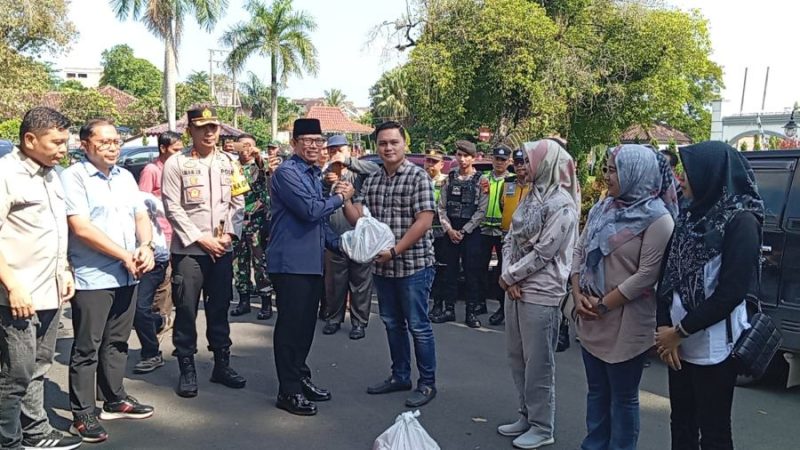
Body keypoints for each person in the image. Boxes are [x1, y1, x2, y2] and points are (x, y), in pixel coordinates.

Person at [655, 141, 763, 450]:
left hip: (714, 346)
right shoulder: (689, 215)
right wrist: (664, 330)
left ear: (711, 174)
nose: (680, 180)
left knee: (714, 431)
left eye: (687, 173)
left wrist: (679, 332)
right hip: (676, 343)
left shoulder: (741, 222)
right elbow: (667, 277)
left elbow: (731, 292)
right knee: (681, 422)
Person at [572, 144, 675, 450]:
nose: (607, 176)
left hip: (625, 321)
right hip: (590, 315)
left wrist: (603, 305)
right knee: (596, 391)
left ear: (635, 173)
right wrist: (577, 294)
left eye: (614, 170)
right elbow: (579, 250)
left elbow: (647, 276)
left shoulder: (658, 219)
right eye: (606, 168)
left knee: (623, 397)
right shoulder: (603, 208)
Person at [63, 119, 156, 443]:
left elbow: (140, 215)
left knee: (117, 341)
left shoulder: (124, 176)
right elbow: (81, 227)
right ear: (85, 145)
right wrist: (124, 254)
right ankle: (83, 413)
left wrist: (145, 247)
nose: (112, 147)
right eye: (104, 142)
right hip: (93, 276)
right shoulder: (73, 177)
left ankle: (114, 398)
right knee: (87, 347)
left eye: (116, 141)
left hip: (127, 274)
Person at [0, 107, 83, 450]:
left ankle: (35, 431)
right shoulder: (6, 174)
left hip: (50, 290)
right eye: (57, 142)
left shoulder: (52, 175)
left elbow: (56, 231)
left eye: (65, 141)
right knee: (15, 374)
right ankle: (7, 440)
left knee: (39, 366)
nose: (63, 149)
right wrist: (12, 285)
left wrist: (65, 270)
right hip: (18, 295)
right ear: (30, 139)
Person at [342, 121, 438, 408]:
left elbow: (424, 221)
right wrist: (345, 200)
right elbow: (360, 221)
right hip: (383, 268)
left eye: (394, 142)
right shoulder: (372, 180)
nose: (388, 148)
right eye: (383, 143)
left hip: (413, 266)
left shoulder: (418, 177)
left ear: (404, 144)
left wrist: (395, 251)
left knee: (418, 326)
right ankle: (400, 376)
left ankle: (427, 383)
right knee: (392, 324)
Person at [267, 119, 355, 416]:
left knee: (305, 327)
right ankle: (288, 390)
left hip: (312, 262)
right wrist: (340, 197)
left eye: (319, 141)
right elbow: (310, 211)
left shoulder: (314, 174)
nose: (315, 146)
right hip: (290, 262)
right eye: (308, 140)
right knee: (290, 327)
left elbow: (319, 224)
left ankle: (300, 377)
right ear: (294, 143)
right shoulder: (287, 173)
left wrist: (345, 245)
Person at [496, 139, 580, 450]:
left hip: (542, 291)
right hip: (516, 286)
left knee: (539, 363)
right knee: (517, 357)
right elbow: (510, 238)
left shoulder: (562, 204)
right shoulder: (531, 195)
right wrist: (508, 275)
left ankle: (543, 426)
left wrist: (510, 276)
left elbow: (546, 252)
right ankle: (526, 415)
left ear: (546, 164)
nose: (523, 165)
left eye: (530, 159)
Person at [161, 106, 247, 398]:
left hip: (222, 248)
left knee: (219, 307)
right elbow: (172, 206)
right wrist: (201, 239)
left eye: (213, 127)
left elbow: (238, 203)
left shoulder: (229, 162)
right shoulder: (177, 163)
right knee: (186, 309)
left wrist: (229, 235)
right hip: (190, 251)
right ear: (190, 131)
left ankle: (222, 364)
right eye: (202, 128)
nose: (209, 133)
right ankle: (187, 367)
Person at [133, 131, 183, 374]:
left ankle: (160, 323)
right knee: (142, 305)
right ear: (163, 148)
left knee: (166, 288)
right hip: (154, 239)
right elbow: (142, 206)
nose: (179, 154)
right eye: (175, 150)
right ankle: (157, 327)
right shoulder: (151, 171)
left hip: (175, 235)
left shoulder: (179, 169)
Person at [321, 135, 380, 339]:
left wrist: (347, 161)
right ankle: (333, 319)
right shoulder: (325, 175)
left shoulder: (358, 172)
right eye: (332, 150)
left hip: (360, 237)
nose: (335, 154)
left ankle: (359, 323)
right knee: (334, 284)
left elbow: (376, 169)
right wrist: (326, 184)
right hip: (334, 238)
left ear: (349, 151)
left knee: (361, 283)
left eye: (340, 149)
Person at [430, 140, 489, 328]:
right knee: (449, 271)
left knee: (472, 272)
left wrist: (464, 231)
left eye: (466, 156)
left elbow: (482, 210)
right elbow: (442, 207)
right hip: (451, 231)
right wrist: (449, 229)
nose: (462, 159)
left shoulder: (481, 180)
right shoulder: (449, 178)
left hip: (470, 231)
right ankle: (449, 309)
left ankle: (471, 312)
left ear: (473, 158)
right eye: (459, 155)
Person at [230, 134, 274, 320]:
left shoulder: (259, 166)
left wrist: (258, 157)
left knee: (260, 262)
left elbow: (267, 172)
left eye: (249, 146)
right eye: (242, 146)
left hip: (256, 221)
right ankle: (243, 300)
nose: (245, 150)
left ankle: (266, 302)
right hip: (237, 220)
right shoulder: (231, 167)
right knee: (239, 263)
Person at [490, 149, 531, 325]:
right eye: (517, 162)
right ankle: (502, 308)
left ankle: (522, 310)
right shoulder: (508, 183)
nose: (520, 166)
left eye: (523, 162)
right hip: (507, 235)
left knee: (523, 274)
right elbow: (502, 204)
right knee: (504, 271)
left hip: (526, 238)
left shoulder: (534, 185)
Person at [477, 146, 513, 318]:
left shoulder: (511, 180)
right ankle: (480, 302)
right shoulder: (484, 178)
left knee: (502, 270)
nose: (499, 162)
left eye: (503, 160)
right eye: (497, 159)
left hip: (502, 231)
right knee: (479, 267)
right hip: (483, 229)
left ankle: (501, 307)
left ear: (509, 162)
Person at [424, 147, 449, 321]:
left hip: (440, 231)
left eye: (434, 162)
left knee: (440, 269)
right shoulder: (419, 179)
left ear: (441, 164)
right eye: (428, 161)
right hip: (422, 231)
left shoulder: (446, 181)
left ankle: (438, 304)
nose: (430, 165)